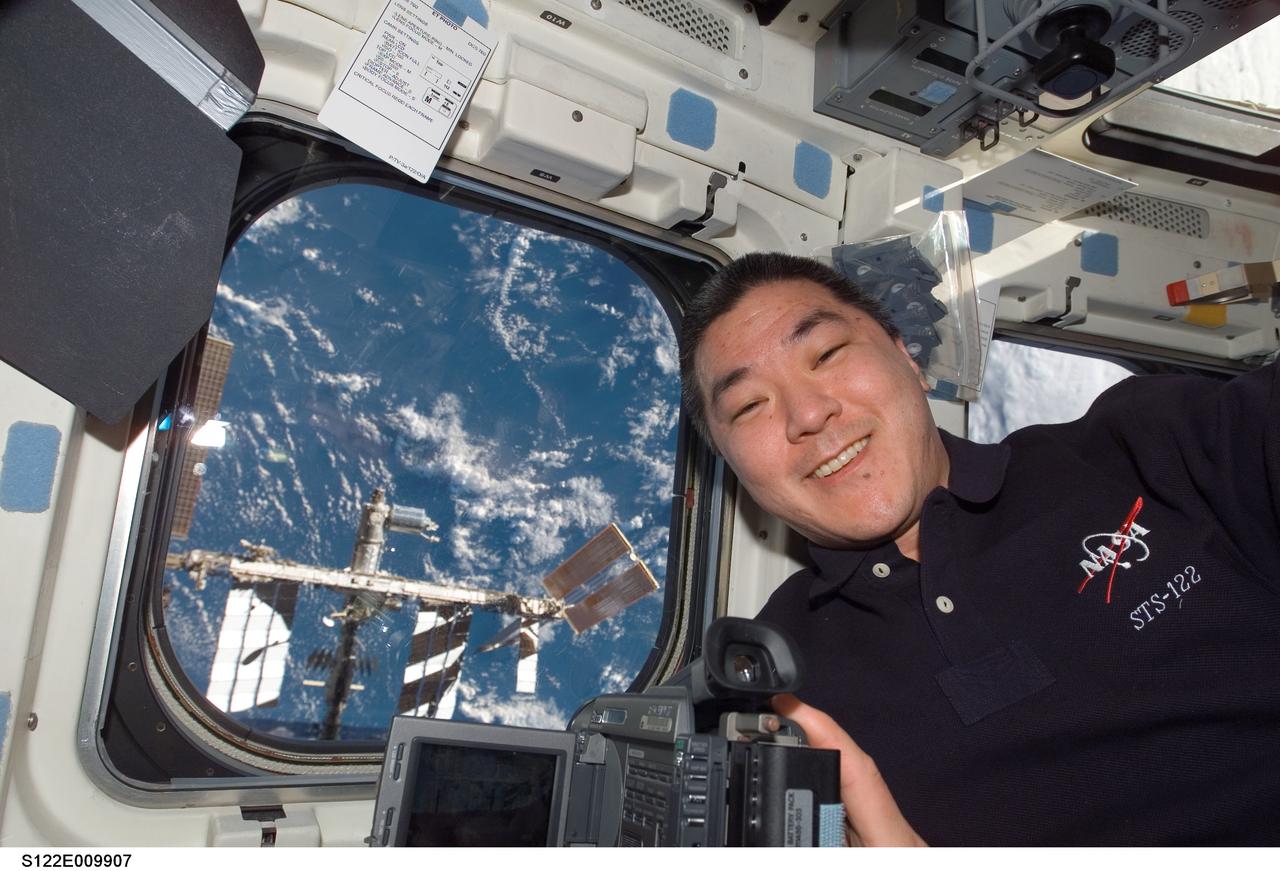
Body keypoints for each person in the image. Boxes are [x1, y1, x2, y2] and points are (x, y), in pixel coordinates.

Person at [678, 251, 1280, 846]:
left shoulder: (1143, 447)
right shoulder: (758, 687)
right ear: (733, 467)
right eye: (749, 405)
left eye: (827, 353)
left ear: (906, 357)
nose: (808, 414)